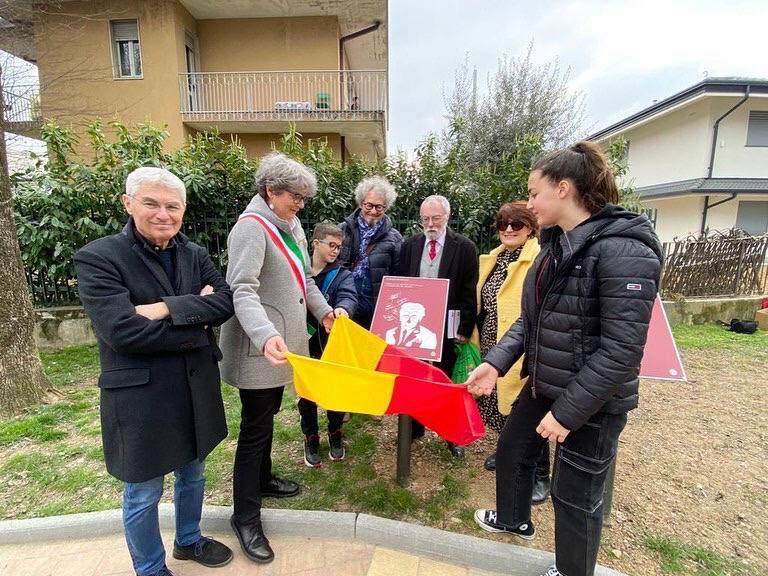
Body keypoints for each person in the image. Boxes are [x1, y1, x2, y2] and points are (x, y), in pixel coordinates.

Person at [467, 141, 662, 576]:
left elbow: (622, 350)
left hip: (592, 402)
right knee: (514, 449)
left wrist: (568, 414)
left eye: (535, 193)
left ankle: (573, 571)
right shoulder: (555, 246)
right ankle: (514, 520)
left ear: (563, 188)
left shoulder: (625, 251)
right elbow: (530, 321)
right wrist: (495, 363)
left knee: (575, 495)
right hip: (545, 382)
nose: (530, 202)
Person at [73, 167, 235, 576]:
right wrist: (196, 318)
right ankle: (149, 568)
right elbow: (122, 332)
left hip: (194, 388)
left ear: (182, 210)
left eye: (172, 206)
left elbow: (227, 302)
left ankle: (188, 540)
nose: (162, 214)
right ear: (128, 203)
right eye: (151, 203)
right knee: (144, 490)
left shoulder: (194, 253)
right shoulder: (99, 257)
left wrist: (165, 308)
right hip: (140, 397)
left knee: (193, 474)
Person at [219, 152, 335, 565]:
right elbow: (242, 290)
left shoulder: (289, 224)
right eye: (295, 196)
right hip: (259, 347)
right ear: (271, 190)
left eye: (304, 198)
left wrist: (324, 312)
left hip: (280, 345)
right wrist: (266, 334)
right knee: (254, 429)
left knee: (268, 414)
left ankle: (263, 479)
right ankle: (245, 517)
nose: (301, 204)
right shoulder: (251, 229)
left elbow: (305, 277)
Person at [471, 203, 547, 502]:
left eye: (517, 224)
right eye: (503, 223)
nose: (509, 229)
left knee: (526, 413)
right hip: (492, 345)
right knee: (500, 409)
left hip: (520, 349)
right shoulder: (494, 258)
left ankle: (540, 474)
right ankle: (506, 453)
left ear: (530, 227)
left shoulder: (538, 258)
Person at [399, 194, 479, 457]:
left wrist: (464, 329)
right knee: (415, 377)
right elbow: (402, 285)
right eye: (425, 219)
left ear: (447, 216)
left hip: (448, 324)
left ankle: (451, 434)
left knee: (447, 380)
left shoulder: (465, 247)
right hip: (416, 324)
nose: (430, 224)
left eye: (436, 218)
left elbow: (469, 291)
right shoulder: (410, 245)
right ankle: (415, 427)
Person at [300, 222, 358, 467]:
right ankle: (310, 436)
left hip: (330, 343)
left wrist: (344, 308)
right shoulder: (297, 270)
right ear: (315, 243)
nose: (336, 251)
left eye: (339, 247)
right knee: (307, 391)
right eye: (331, 245)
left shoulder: (342, 274)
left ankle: (335, 433)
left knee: (335, 389)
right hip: (302, 340)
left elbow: (349, 295)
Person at [338, 176, 402, 329]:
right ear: (360, 203)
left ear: (385, 207)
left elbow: (399, 276)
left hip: (376, 308)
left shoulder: (395, 238)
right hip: (344, 303)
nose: (373, 211)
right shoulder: (342, 230)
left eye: (379, 207)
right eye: (369, 205)